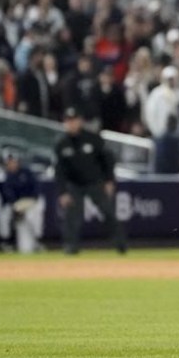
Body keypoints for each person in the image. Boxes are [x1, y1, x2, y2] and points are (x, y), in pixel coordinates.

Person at [53, 106, 126, 254]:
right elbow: (59, 171)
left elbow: (108, 160)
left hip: (95, 182)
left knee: (108, 212)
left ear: (80, 121)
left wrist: (109, 180)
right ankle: (71, 247)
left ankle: (121, 244)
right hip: (74, 184)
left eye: (74, 120)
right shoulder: (61, 143)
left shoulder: (92, 138)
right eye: (68, 121)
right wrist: (62, 192)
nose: (71, 124)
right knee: (72, 217)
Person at [0, 151, 43, 254]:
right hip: (17, 204)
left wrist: (29, 203)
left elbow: (36, 189)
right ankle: (6, 243)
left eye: (13, 162)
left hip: (31, 202)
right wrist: (16, 208)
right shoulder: (7, 177)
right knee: (4, 216)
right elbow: (8, 195)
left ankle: (37, 241)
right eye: (9, 163)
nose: (12, 164)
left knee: (33, 217)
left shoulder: (26, 173)